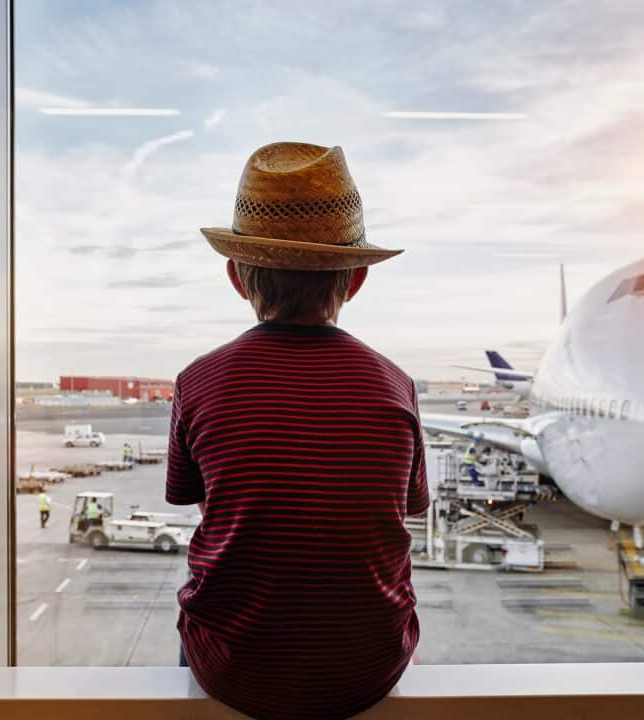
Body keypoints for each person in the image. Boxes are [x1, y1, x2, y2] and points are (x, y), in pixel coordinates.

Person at [167, 142, 428, 720]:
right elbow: (405, 510)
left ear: (236, 277)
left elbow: (198, 500)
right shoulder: (397, 385)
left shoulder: (197, 380)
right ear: (355, 279)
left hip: (233, 667)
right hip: (372, 665)